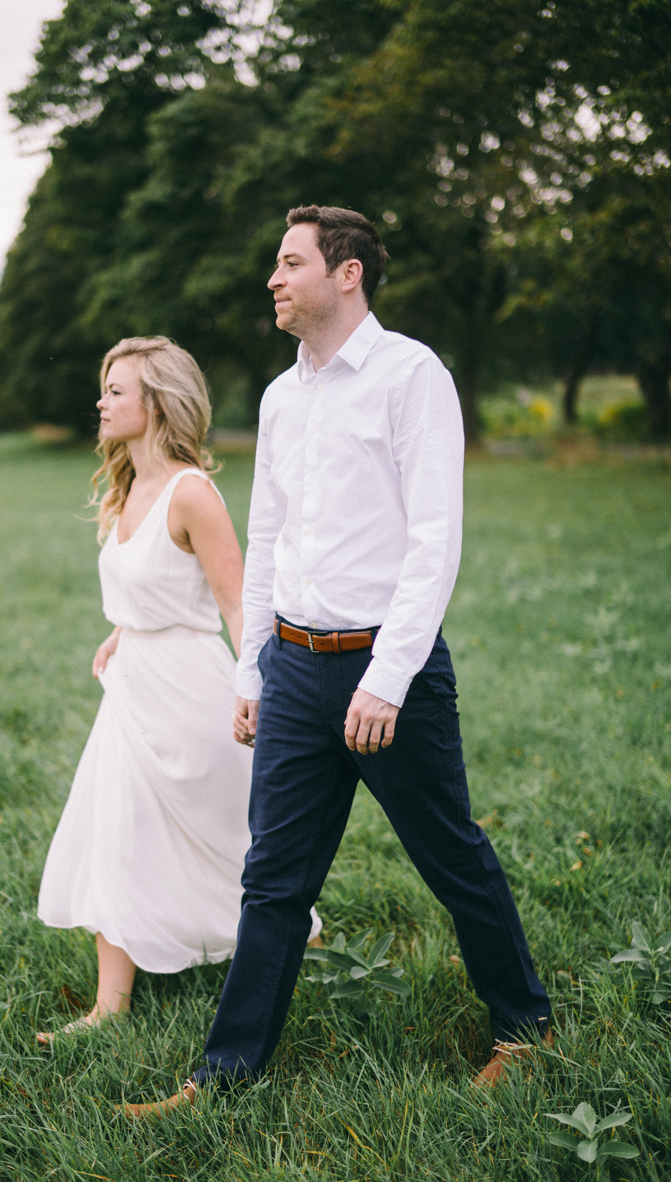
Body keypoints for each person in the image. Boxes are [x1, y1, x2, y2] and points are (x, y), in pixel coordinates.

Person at [123, 207, 551, 1117]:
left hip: (387, 673)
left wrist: (387, 681)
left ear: (345, 274)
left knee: (451, 859)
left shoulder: (411, 377)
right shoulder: (283, 397)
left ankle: (526, 1029)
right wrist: (253, 673)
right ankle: (224, 1075)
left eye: (290, 263)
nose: (273, 281)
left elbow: (435, 542)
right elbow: (267, 541)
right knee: (273, 879)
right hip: (294, 671)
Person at [36, 335, 321, 1043]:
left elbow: (235, 602)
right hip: (131, 689)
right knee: (116, 835)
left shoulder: (193, 493)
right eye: (104, 389)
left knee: (228, 841)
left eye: (117, 391)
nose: (101, 402)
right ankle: (109, 1008)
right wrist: (123, 632)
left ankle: (298, 946)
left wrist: (255, 685)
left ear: (157, 403)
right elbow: (149, 589)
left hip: (191, 693)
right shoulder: (125, 486)